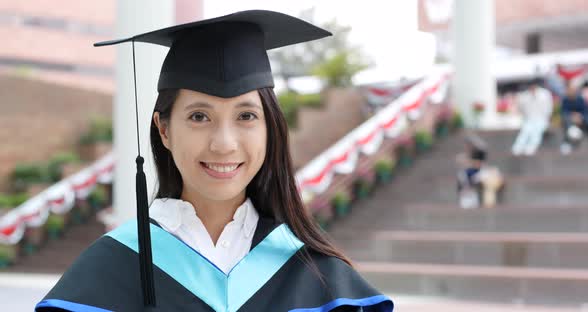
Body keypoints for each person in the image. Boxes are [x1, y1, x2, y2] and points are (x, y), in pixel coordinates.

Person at [35, 10, 393, 312]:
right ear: (163, 130)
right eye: (199, 117)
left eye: (246, 116)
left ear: (270, 129)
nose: (224, 144)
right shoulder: (109, 271)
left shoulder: (318, 278)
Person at [511, 78, 554, 156]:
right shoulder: (525, 96)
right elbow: (521, 109)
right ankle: (517, 148)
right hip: (529, 119)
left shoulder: (545, 94)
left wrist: (547, 119)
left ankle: (530, 149)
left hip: (542, 119)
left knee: (536, 133)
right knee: (525, 131)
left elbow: (549, 108)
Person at [560, 82, 588, 154]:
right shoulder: (565, 99)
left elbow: (585, 110)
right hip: (569, 118)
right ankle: (566, 143)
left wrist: (580, 116)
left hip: (581, 117)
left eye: (572, 90)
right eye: (569, 90)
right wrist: (572, 115)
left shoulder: (580, 99)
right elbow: (564, 111)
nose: (571, 92)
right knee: (567, 122)